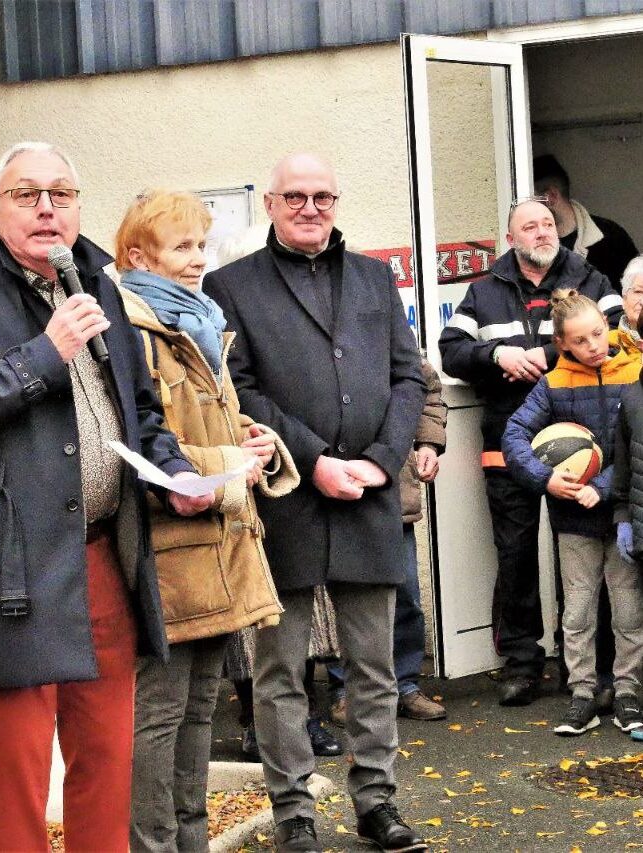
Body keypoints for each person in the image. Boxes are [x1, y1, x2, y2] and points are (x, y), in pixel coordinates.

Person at [0, 142, 213, 853]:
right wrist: (43, 353)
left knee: (106, 757)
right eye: (27, 193)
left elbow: (140, 407)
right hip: (12, 567)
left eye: (62, 193)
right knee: (15, 765)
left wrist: (173, 477)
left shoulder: (99, 287)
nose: (47, 207)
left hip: (104, 555)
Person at [204, 153, 428, 853]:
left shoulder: (372, 277)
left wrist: (379, 461)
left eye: (322, 196)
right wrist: (315, 461)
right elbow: (239, 391)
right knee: (279, 669)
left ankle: (376, 802)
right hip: (286, 498)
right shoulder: (229, 286)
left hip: (367, 493)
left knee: (373, 663)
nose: (309, 207)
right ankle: (292, 810)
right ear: (268, 203)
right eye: (294, 196)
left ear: (337, 202)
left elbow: (406, 375)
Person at [114, 190, 300, 851]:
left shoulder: (194, 322)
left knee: (198, 710)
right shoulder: (133, 332)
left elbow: (194, 427)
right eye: (181, 247)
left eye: (203, 245)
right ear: (137, 256)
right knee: (159, 717)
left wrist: (252, 443)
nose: (198, 260)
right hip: (168, 555)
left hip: (215, 551)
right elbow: (135, 446)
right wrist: (227, 461)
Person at [439, 198, 623, 708]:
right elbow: (450, 350)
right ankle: (521, 664)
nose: (542, 232)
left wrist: (540, 355)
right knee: (516, 557)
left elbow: (621, 340)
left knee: (588, 562)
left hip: (589, 454)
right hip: (509, 447)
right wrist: (497, 354)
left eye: (547, 224)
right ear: (511, 238)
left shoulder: (592, 280)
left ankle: (585, 669)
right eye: (530, 226)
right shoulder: (483, 292)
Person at [215, 225, 342, 763]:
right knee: (253, 619)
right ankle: (253, 720)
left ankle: (305, 716)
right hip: (241, 479)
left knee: (307, 616)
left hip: (293, 477)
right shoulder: (213, 321)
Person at [502, 290, 643, 736]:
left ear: (608, 323)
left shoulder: (636, 371)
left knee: (628, 612)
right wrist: (547, 479)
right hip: (573, 520)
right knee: (577, 612)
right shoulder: (554, 383)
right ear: (562, 344)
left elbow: (638, 448)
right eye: (581, 341)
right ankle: (582, 695)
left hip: (624, 515)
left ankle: (628, 694)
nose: (594, 346)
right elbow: (514, 435)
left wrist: (601, 487)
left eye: (598, 333)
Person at [328, 359, 449, 723]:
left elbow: (427, 387)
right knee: (345, 599)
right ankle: (345, 688)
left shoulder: (391, 335)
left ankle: (406, 684)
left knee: (407, 595)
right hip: (339, 489)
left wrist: (428, 442)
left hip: (394, 495)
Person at [534, 154, 638, 290]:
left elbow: (635, 294)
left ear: (551, 197)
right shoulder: (531, 243)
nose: (526, 208)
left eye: (532, 199)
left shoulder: (610, 238)